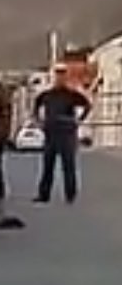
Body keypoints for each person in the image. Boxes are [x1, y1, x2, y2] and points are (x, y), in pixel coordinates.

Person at [35, 64, 92, 204]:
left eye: (62, 75)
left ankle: (70, 194)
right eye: (57, 75)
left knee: (68, 165)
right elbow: (36, 105)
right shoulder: (47, 94)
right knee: (47, 165)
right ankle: (44, 195)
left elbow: (87, 105)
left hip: (66, 134)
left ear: (66, 77)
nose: (59, 78)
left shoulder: (71, 94)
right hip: (51, 133)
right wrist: (39, 121)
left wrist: (79, 120)